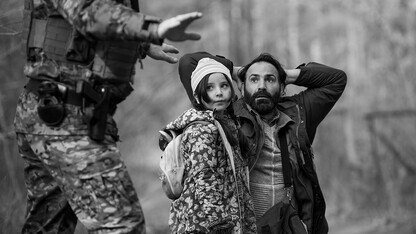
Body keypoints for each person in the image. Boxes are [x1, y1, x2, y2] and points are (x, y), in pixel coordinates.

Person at [14, 0, 202, 233]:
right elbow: (87, 11)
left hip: (59, 114)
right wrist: (151, 28)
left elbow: (81, 28)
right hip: (64, 118)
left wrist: (142, 44)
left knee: (49, 227)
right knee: (121, 225)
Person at [233, 53, 347, 234]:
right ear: (242, 86)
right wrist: (235, 71)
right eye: (254, 79)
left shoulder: (298, 113)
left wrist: (286, 74)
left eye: (270, 79)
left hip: (285, 226)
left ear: (282, 87)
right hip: (240, 226)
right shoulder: (229, 115)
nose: (262, 86)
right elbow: (189, 65)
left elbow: (336, 79)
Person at [158, 52, 257, 234]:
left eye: (224, 85)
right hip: (207, 225)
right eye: (210, 88)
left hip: (226, 219)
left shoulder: (227, 125)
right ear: (197, 97)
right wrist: (217, 224)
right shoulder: (201, 130)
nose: (219, 92)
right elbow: (205, 176)